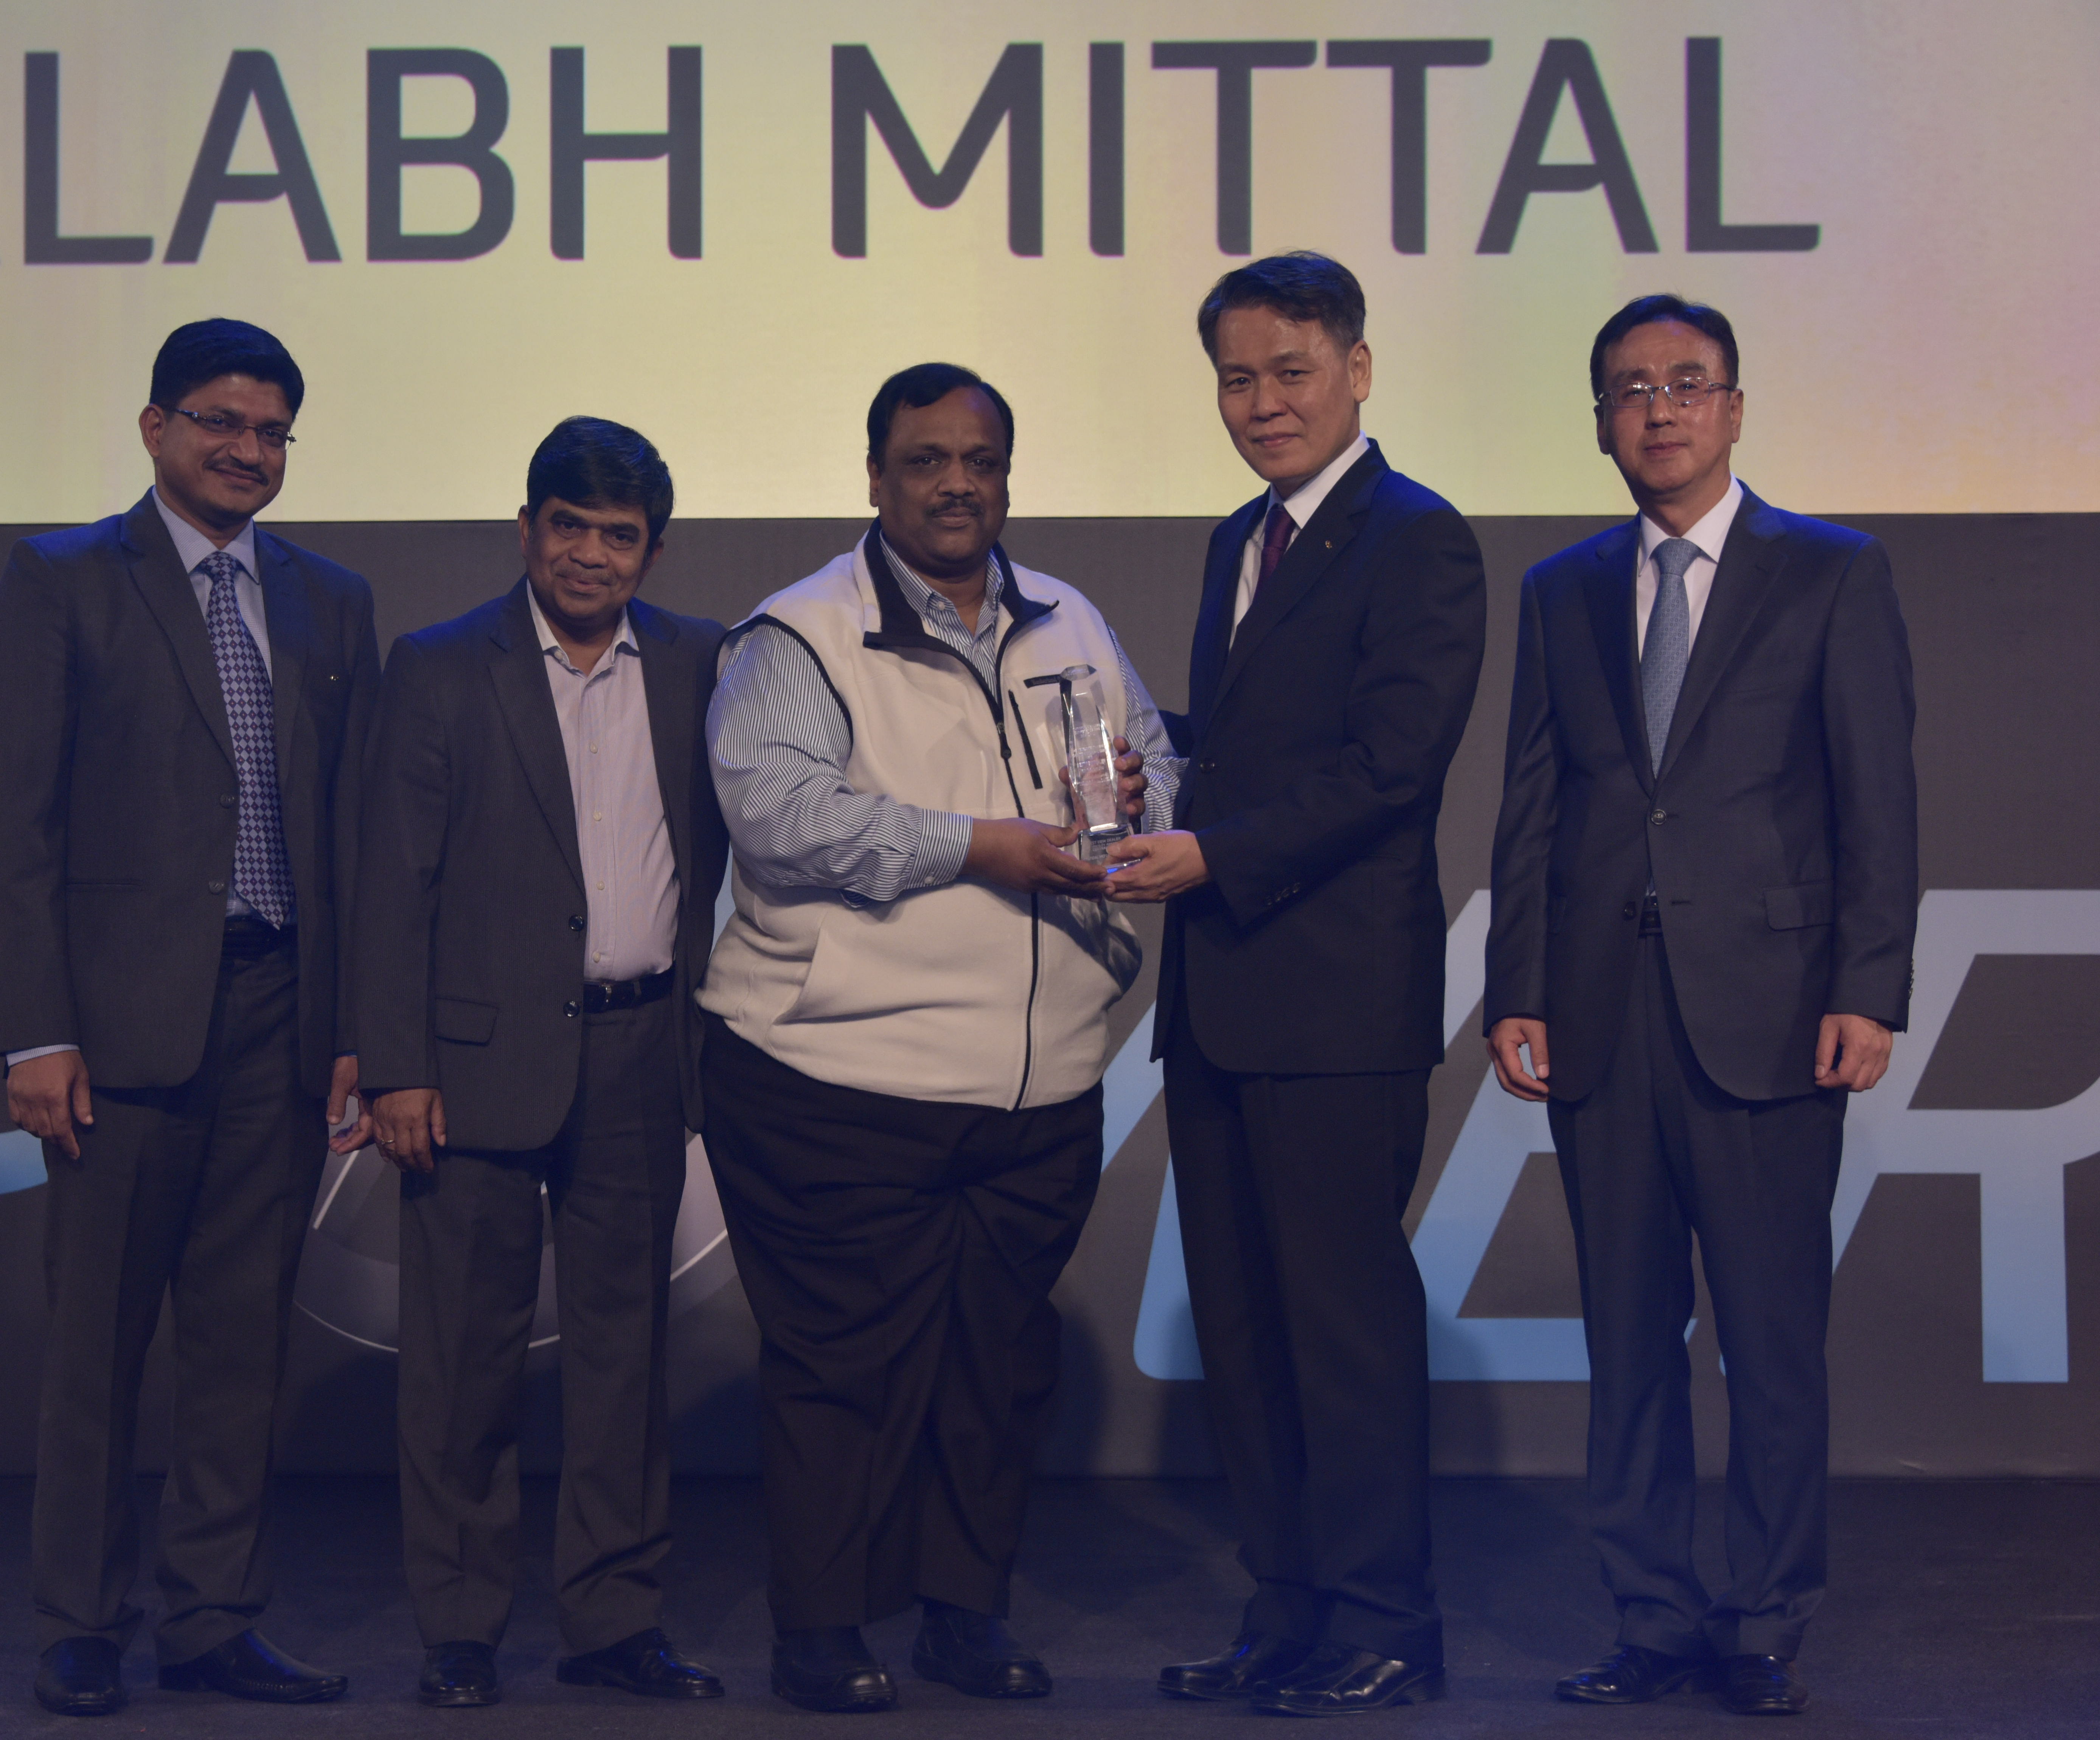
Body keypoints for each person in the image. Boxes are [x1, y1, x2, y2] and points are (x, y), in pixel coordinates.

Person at [696, 362, 1172, 1712]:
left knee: (997, 1368)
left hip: (1041, 1080)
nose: (956, 485)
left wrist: (1143, 796)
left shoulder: (1072, 617)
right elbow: (780, 816)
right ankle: (821, 1630)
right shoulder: (801, 633)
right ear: (875, 476)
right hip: (839, 1074)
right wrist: (982, 846)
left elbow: (1153, 768)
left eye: (981, 461)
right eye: (926, 461)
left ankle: (967, 1611)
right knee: (843, 1371)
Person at [1483, 296, 1916, 1718]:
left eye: (1686, 383)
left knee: (1773, 1342)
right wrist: (1517, 985)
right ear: (1600, 423)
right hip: (1603, 1013)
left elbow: (1877, 798)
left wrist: (1868, 987)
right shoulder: (1561, 589)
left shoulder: (1832, 571)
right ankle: (1653, 1616)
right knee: (1628, 1344)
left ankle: (1768, 1619)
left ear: (1734, 408)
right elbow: (1534, 803)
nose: (1659, 408)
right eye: (1630, 389)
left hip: (1774, 1012)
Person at [0, 318, 379, 1718]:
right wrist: (35, 1030)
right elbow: (14, 825)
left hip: (281, 1011)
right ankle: (81, 1621)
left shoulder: (331, 601)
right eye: (220, 422)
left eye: (271, 432)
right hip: (119, 1028)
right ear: (155, 428)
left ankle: (213, 1616)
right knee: (98, 1344)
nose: (247, 451)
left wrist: (354, 1024)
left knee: (242, 1342)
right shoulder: (64, 579)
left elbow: (351, 829)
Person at [1105, 250, 1486, 1716]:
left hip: (1335, 1008)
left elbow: (1389, 771)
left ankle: (1387, 1621)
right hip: (1219, 1002)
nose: (1262, 403)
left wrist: (1210, 849)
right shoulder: (1236, 541)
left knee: (1342, 1330)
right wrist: (1158, 771)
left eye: (1290, 372)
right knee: (1246, 1333)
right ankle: (1287, 1612)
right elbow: (1263, 749)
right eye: (1236, 379)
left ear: (1358, 371)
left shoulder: (1419, 540)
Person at [353, 417, 729, 1709]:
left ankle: (615, 1620)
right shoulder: (441, 665)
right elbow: (393, 882)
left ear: (653, 552)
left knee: (628, 1361)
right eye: (568, 527)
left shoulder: (701, 662)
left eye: (618, 536)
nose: (589, 555)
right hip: (469, 1068)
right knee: (463, 1361)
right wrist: (397, 1067)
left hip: (642, 1052)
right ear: (526, 530)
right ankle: (460, 1627)